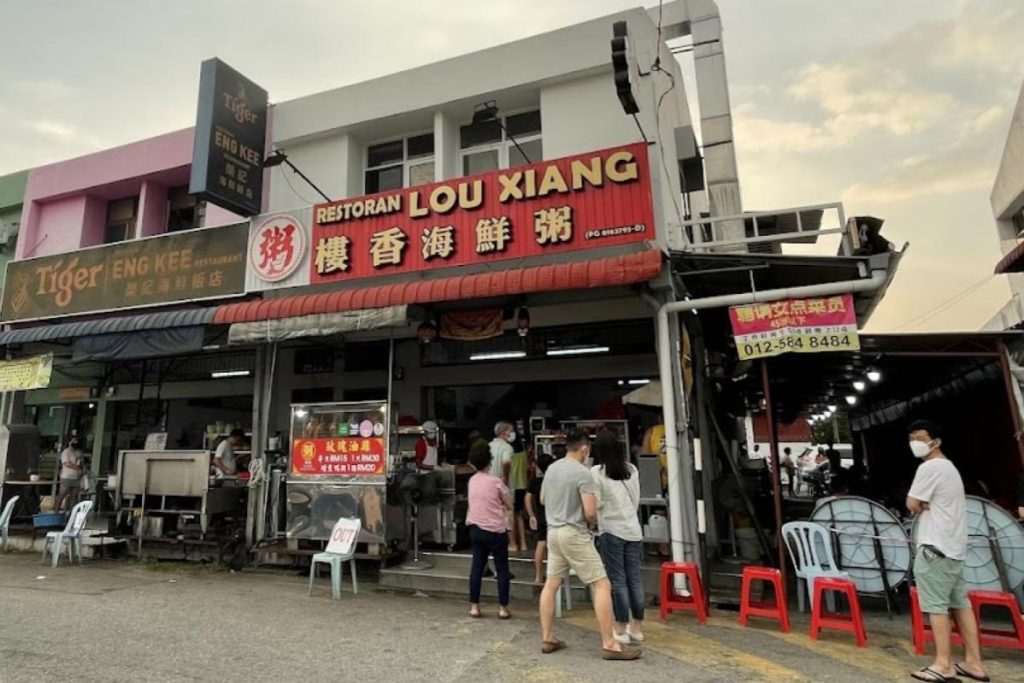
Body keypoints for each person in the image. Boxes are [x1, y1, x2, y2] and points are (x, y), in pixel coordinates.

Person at [538, 429, 640, 661]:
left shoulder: (553, 468)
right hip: (574, 533)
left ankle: (547, 637)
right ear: (584, 448)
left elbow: (543, 499)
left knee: (551, 584)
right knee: (602, 584)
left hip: (553, 532)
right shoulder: (582, 473)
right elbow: (591, 511)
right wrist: (590, 522)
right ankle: (610, 643)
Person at [905, 420, 987, 683]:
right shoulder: (950, 468)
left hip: (934, 548)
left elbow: (911, 503)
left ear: (935, 441)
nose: (915, 443)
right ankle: (974, 663)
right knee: (960, 605)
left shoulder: (929, 467)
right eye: (911, 438)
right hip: (953, 549)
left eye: (920, 437)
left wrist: (921, 505)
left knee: (936, 607)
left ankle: (943, 664)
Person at [591, 431, 645, 645]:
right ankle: (637, 627)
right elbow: (637, 499)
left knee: (618, 580)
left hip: (611, 530)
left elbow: (597, 503)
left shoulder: (597, 472)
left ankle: (620, 628)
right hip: (633, 530)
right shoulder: (631, 470)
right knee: (634, 578)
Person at [465, 443, 512, 619]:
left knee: (477, 567)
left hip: (476, 529)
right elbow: (509, 504)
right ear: (489, 462)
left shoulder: (472, 481)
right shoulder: (496, 481)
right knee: (502, 569)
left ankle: (474, 606)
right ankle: (502, 608)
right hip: (496, 531)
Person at [526, 451, 553, 584]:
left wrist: (532, 515)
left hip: (541, 517)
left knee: (540, 544)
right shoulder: (553, 482)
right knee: (551, 546)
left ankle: (538, 575)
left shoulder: (535, 482)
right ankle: (550, 575)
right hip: (553, 517)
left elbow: (527, 498)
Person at [507, 443, 529, 553]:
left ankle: (513, 542)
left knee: (510, 515)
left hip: (512, 486)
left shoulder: (509, 454)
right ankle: (524, 543)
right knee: (519, 514)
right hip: (523, 485)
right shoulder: (524, 454)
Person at [55, 435, 83, 511]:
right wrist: (76, 467)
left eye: (76, 441)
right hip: (67, 477)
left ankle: (71, 513)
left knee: (73, 497)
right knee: (62, 495)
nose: (75, 442)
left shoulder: (78, 452)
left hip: (76, 477)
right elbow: (66, 463)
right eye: (73, 440)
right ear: (69, 442)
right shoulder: (66, 452)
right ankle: (56, 511)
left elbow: (81, 462)